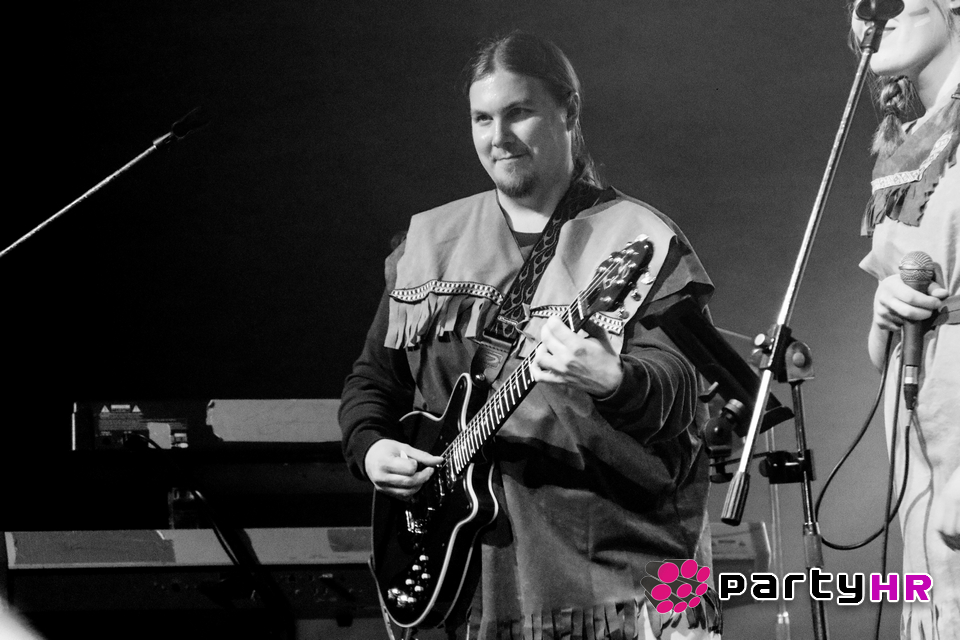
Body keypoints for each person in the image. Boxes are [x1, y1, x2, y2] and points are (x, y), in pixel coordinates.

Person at [339, 32, 720, 640]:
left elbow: (684, 386)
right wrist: (371, 447)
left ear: (569, 111)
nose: (499, 137)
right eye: (482, 118)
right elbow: (372, 382)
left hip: (612, 579)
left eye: (519, 112)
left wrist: (616, 380)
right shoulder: (428, 244)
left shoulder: (637, 236)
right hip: (468, 576)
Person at [852, 1, 959, 637]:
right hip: (916, 443)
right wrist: (883, 310)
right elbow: (884, 356)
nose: (871, 10)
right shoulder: (904, 145)